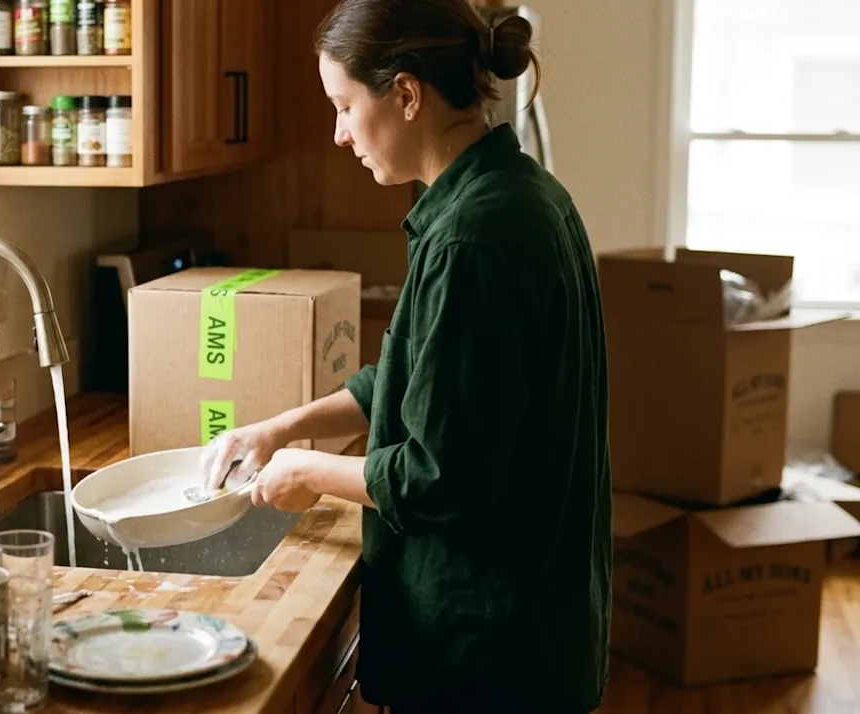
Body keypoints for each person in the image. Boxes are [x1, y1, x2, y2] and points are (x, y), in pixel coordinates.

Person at [199, 1, 612, 712]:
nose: (338, 134)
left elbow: (440, 478)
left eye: (344, 106)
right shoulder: (509, 196)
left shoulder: (472, 240)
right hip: (536, 623)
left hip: (487, 651)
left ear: (407, 94)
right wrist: (283, 426)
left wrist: (308, 471)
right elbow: (414, 375)